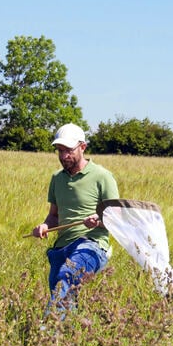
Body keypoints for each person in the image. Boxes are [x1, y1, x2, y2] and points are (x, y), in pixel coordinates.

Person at [33, 123, 119, 319]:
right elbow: (54, 216)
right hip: (61, 248)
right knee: (66, 299)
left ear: (83, 147)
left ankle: (46, 334)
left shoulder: (102, 177)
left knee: (65, 279)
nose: (64, 156)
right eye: (60, 151)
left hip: (91, 245)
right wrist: (45, 226)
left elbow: (116, 219)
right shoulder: (57, 179)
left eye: (68, 151)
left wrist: (98, 221)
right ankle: (69, 342)